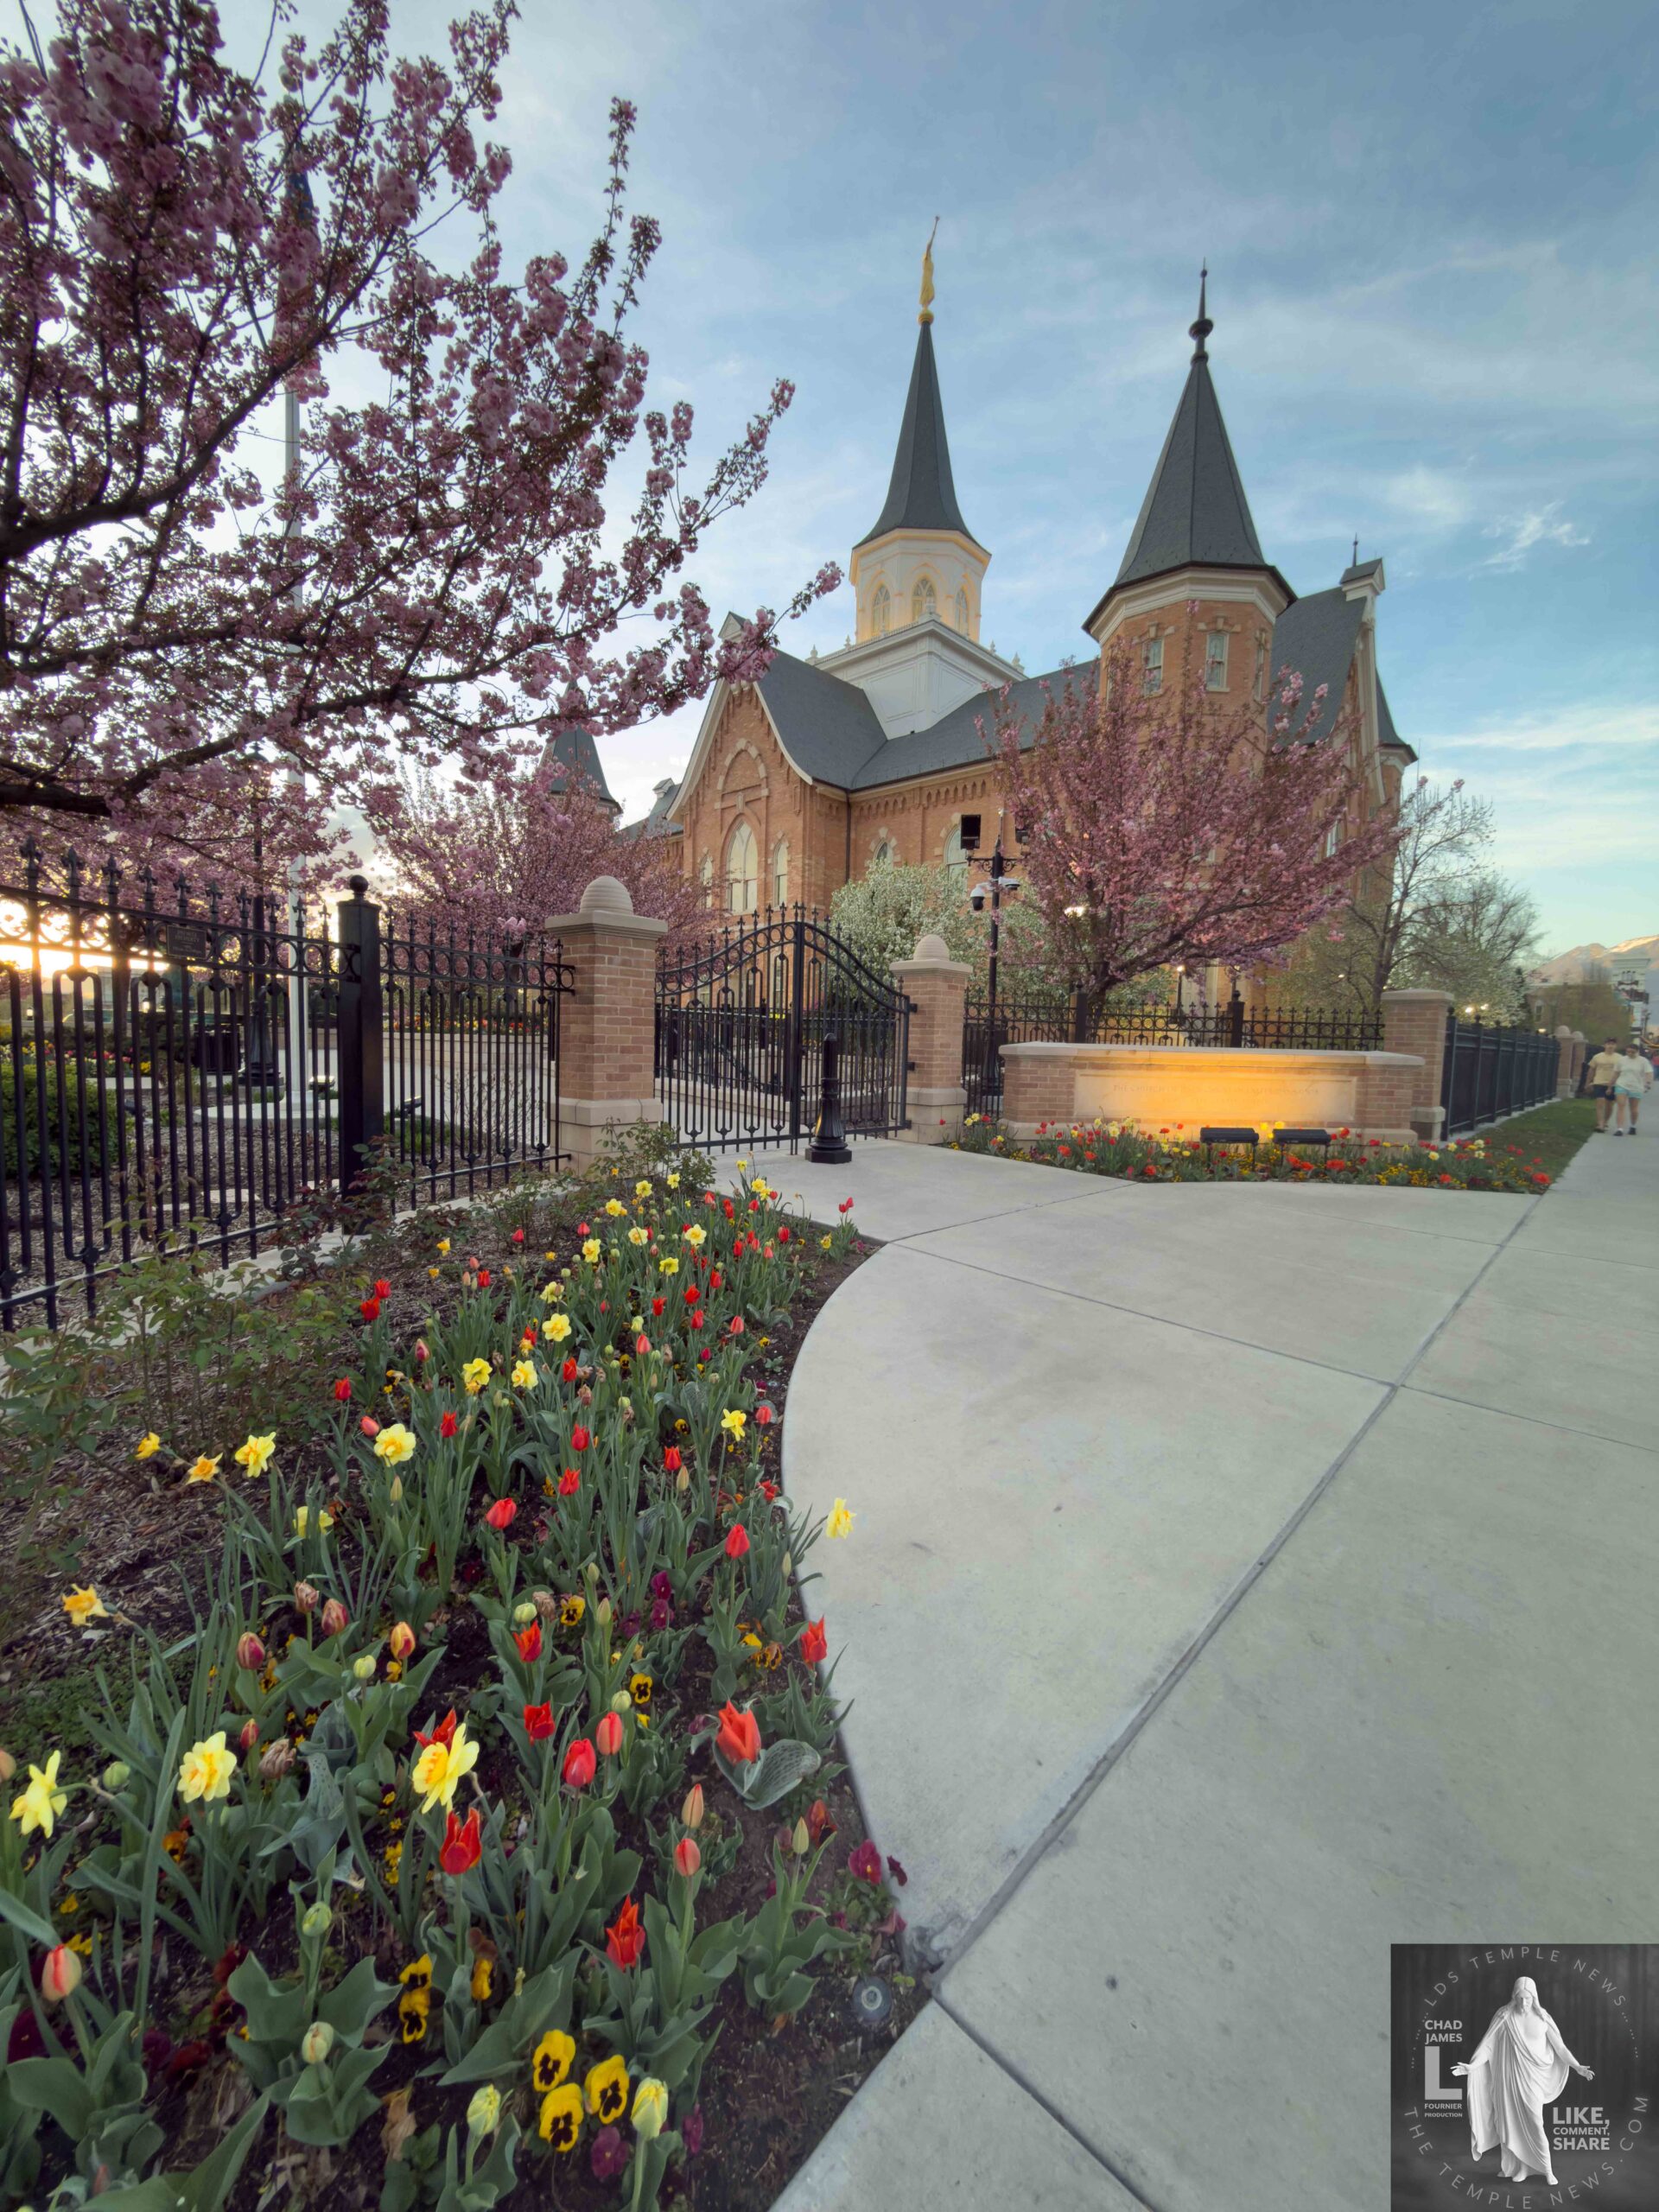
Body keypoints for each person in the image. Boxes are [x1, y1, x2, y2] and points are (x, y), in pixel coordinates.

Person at [1452, 1976, 1594, 2187]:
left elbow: (1561, 2048)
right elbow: (1488, 2046)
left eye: (1527, 1998)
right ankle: (1521, 2168)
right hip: (1509, 2080)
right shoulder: (1504, 2017)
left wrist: (1577, 2066)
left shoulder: (1543, 2018)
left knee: (1536, 2123)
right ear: (1514, 1997)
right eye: (1519, 1998)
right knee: (1511, 2123)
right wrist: (1472, 2067)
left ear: (1534, 1997)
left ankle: (1547, 2169)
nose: (1523, 2003)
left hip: (1533, 2080)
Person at [1585, 1037, 1624, 1132]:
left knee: (1609, 1105)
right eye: (1609, 1044)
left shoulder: (1620, 1058)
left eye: (1613, 1044)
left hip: (1613, 1084)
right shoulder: (1597, 1057)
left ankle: (1605, 1121)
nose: (1610, 1046)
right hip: (1599, 1082)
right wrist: (1588, 1082)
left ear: (1615, 1046)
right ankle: (1600, 1124)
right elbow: (1591, 1070)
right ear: (1605, 1045)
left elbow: (1622, 1072)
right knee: (1600, 1102)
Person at [1613, 1043, 1651, 1133]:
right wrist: (1611, 1084)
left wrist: (1648, 1083)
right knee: (1621, 1106)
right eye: (1628, 1052)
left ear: (1637, 1052)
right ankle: (1619, 1129)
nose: (1630, 1054)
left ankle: (1633, 1125)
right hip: (1622, 1085)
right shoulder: (1621, 1060)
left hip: (1636, 1086)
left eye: (1632, 1052)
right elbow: (1616, 1072)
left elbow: (1649, 1073)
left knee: (1634, 1109)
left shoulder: (1643, 1061)